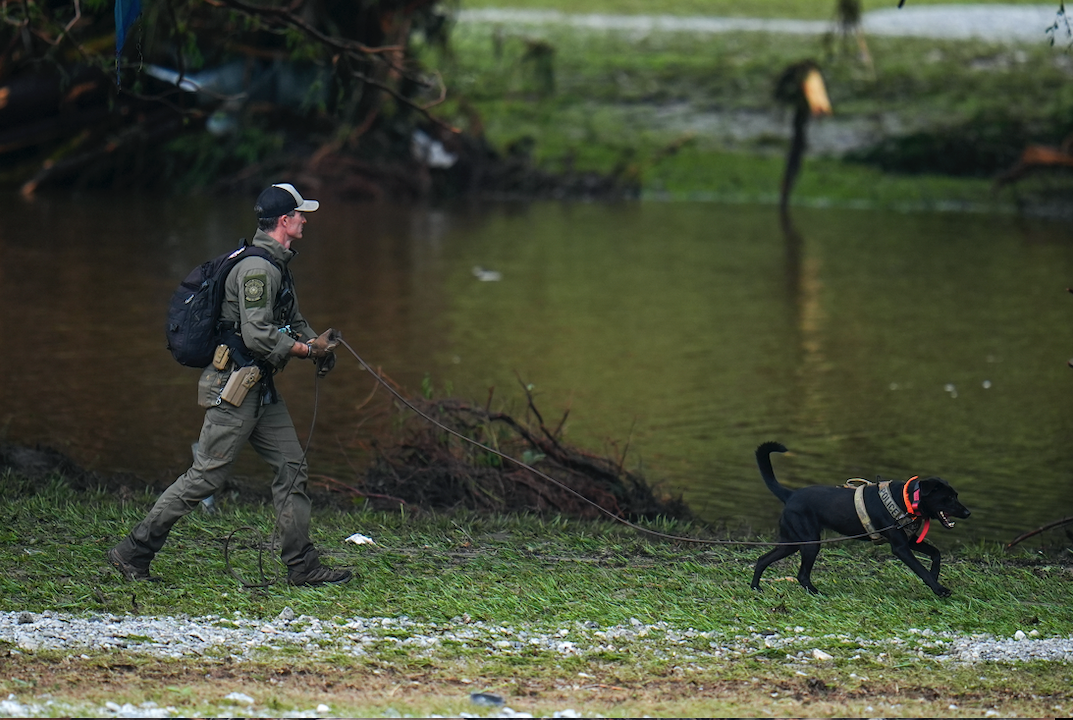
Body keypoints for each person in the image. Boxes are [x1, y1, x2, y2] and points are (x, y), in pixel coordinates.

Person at [108, 183, 352, 587]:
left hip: (261, 388)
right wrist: (306, 353)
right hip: (235, 388)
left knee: (292, 468)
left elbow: (291, 321)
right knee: (206, 477)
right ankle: (133, 551)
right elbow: (258, 336)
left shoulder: (277, 264)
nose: (305, 220)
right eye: (300, 214)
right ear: (284, 221)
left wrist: (318, 346)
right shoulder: (258, 270)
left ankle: (301, 565)